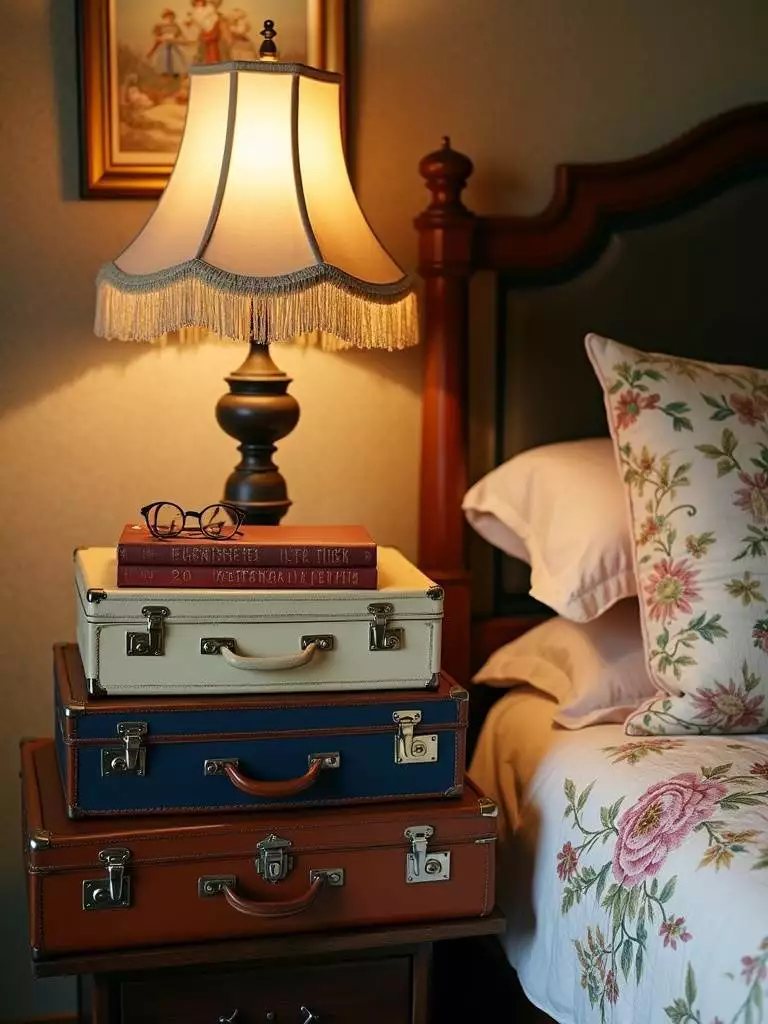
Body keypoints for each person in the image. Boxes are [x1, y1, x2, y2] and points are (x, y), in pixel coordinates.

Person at [185, 0, 230, 64]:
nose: (199, 3)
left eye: (201, 1)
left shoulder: (210, 9)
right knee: (207, 48)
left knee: (213, 47)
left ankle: (214, 61)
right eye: (197, 2)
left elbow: (214, 18)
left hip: (212, 29)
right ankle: (209, 61)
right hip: (205, 31)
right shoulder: (195, 12)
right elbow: (194, 21)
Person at [147, 9, 188, 78]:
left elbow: (180, 36)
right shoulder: (159, 26)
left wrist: (181, 40)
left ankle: (176, 71)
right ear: (164, 17)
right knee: (164, 56)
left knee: (176, 56)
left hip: (173, 44)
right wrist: (161, 38)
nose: (170, 18)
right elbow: (157, 36)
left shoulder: (175, 26)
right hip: (164, 44)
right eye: (168, 16)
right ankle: (164, 72)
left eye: (171, 16)